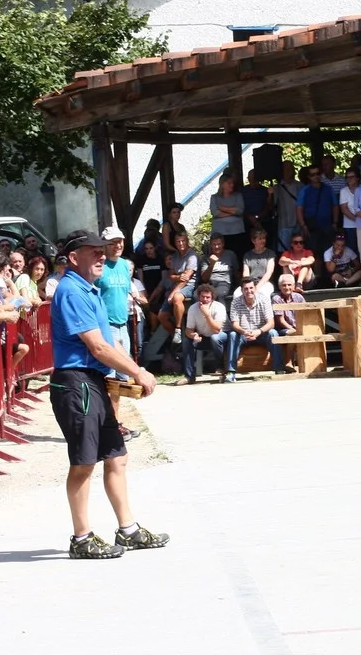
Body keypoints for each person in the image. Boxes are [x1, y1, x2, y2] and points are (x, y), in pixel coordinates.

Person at [49, 230, 165, 559]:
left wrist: (132, 369)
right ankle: (82, 538)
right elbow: (97, 347)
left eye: (103, 251)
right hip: (76, 383)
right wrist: (137, 373)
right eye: (93, 251)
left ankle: (128, 530)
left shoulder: (90, 289)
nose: (102, 256)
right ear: (74, 258)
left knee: (116, 456)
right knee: (83, 463)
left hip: (93, 382)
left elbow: (111, 341)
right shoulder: (72, 290)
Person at [94, 227, 134, 393]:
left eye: (120, 241)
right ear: (104, 245)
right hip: (106, 325)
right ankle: (106, 409)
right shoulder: (98, 265)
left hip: (123, 323)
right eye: (113, 242)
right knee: (109, 376)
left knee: (123, 376)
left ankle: (116, 411)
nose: (118, 245)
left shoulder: (124, 265)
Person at [225, 278, 285, 382]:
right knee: (233, 335)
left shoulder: (264, 300)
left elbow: (271, 323)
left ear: (255, 288)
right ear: (242, 290)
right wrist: (244, 331)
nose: (249, 291)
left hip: (261, 333)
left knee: (273, 333)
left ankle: (279, 368)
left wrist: (259, 331)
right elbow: (235, 324)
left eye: (251, 288)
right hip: (244, 334)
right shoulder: (235, 302)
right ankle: (231, 372)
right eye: (246, 289)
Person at [177, 284, 228, 385]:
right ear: (198, 297)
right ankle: (189, 376)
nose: (204, 299)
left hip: (221, 338)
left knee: (215, 338)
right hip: (203, 338)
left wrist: (207, 314)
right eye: (202, 297)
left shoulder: (219, 307)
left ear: (212, 298)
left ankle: (221, 368)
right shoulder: (193, 308)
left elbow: (217, 329)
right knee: (187, 341)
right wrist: (193, 335)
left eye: (207, 297)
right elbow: (188, 330)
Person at [210, 173, 247, 261]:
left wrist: (223, 208)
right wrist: (233, 212)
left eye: (232, 183)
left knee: (238, 256)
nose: (232, 185)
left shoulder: (238, 196)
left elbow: (240, 210)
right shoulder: (214, 197)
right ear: (222, 184)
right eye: (229, 183)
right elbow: (215, 213)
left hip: (237, 232)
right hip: (220, 233)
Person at [200, 233, 238, 302]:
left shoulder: (230, 255)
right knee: (197, 295)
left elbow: (236, 272)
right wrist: (211, 264)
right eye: (214, 244)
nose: (217, 246)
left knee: (219, 294)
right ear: (211, 245)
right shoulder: (206, 258)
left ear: (223, 244)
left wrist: (239, 285)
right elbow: (204, 279)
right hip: (210, 283)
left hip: (224, 283)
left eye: (219, 244)